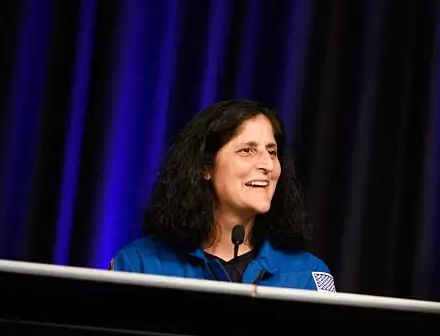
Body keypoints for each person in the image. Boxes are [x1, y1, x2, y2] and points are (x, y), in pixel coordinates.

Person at [110, 100, 336, 292]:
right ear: (205, 167)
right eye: (247, 150)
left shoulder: (310, 276)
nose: (267, 164)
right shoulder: (139, 264)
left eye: (272, 152)